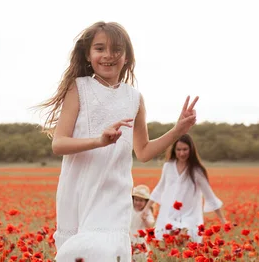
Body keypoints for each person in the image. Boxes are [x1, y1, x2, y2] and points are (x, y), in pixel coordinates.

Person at [37, 21, 199, 262]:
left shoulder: (134, 98)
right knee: (78, 252)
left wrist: (178, 129)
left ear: (127, 58)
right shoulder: (79, 88)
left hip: (116, 191)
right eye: (100, 48)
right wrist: (99, 141)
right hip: (80, 188)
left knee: (108, 251)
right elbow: (58, 144)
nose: (108, 56)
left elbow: (143, 152)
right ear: (88, 55)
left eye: (117, 50)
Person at [145, 133, 226, 243]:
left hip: (190, 215)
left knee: (186, 243)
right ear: (174, 150)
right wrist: (146, 209)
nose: (182, 153)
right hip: (169, 213)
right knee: (170, 246)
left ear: (191, 149)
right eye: (178, 150)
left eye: (185, 149)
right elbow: (160, 188)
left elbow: (209, 196)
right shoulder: (168, 166)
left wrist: (222, 219)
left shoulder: (197, 171)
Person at [130, 184, 154, 262]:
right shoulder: (130, 210)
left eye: (141, 200)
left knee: (140, 257)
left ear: (146, 202)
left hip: (140, 238)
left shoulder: (147, 212)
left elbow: (150, 226)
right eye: (136, 200)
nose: (138, 202)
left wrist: (145, 219)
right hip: (129, 236)